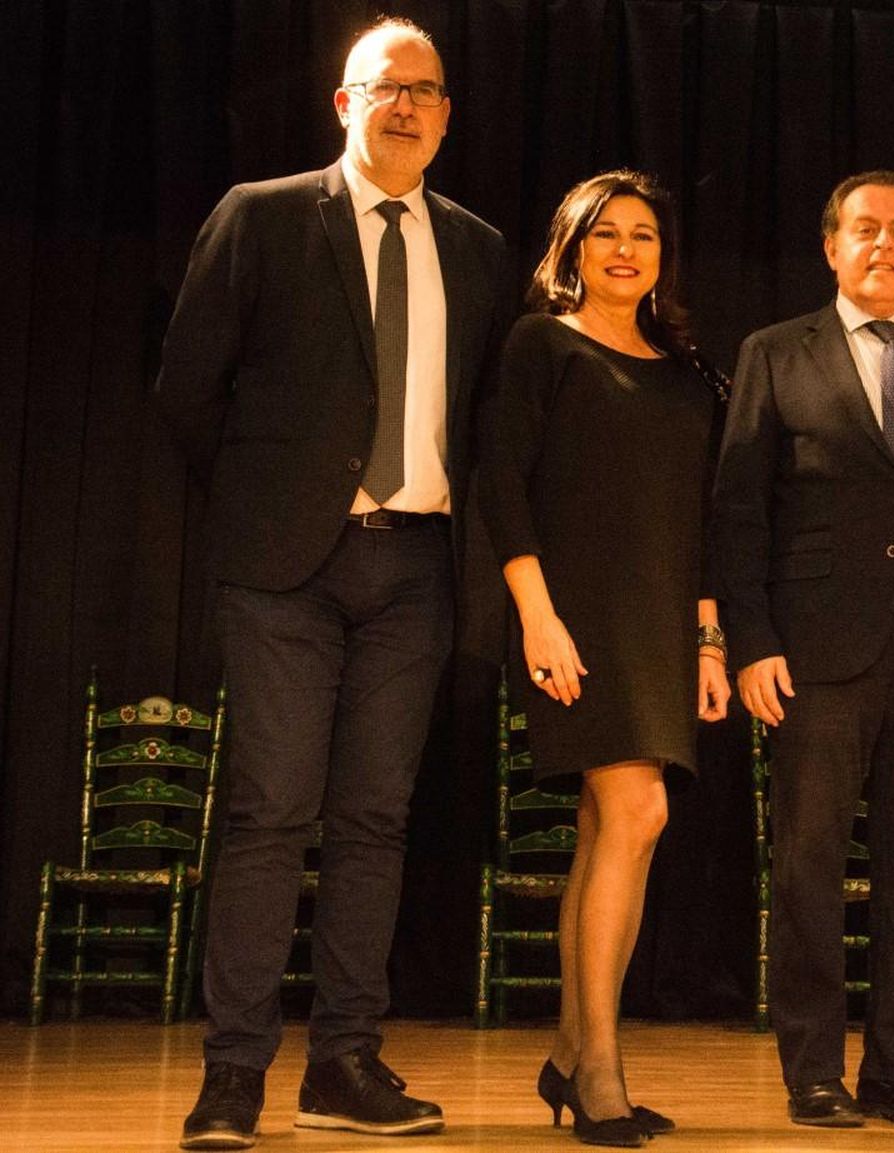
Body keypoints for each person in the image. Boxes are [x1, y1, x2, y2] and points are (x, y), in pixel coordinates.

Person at [153, 18, 508, 1149]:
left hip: (416, 567)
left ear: (447, 116)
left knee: (373, 820)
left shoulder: (479, 247)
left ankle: (345, 1062)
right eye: (383, 87)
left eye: (426, 90)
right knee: (269, 815)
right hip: (285, 571)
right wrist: (276, 506)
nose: (405, 105)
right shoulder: (261, 215)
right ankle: (233, 1076)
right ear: (343, 105)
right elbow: (188, 392)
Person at [714, 170, 894, 1129]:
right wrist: (749, 641)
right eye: (865, 228)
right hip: (811, 656)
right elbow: (737, 509)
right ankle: (813, 1072)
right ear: (832, 245)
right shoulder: (774, 353)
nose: (884, 244)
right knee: (806, 864)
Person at [476, 170, 731, 1149]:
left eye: (645, 236)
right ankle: (603, 1071)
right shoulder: (541, 344)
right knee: (638, 809)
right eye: (607, 233)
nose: (627, 250)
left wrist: (707, 638)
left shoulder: (682, 368)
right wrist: (538, 618)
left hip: (662, 624)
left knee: (604, 825)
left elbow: (695, 518)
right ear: (572, 247)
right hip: (574, 615)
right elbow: (502, 481)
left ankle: (572, 1052)